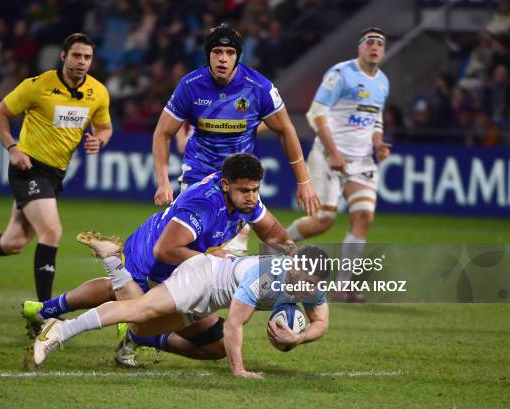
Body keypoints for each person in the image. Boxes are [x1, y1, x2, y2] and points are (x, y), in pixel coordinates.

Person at [23, 153, 298, 366]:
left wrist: (293, 254)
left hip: (185, 262)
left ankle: (48, 310)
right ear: (226, 185)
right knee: (132, 308)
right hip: (156, 257)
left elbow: (274, 233)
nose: (252, 197)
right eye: (245, 191)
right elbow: (165, 250)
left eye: (255, 190)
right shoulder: (205, 205)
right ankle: (84, 299)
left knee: (215, 345)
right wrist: (210, 258)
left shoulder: (244, 199)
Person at [0, 33, 113, 302]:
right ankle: (43, 311)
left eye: (87, 57)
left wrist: (99, 140)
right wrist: (12, 148)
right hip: (29, 168)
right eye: (76, 55)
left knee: (13, 242)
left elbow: (105, 127)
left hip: (54, 174)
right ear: (63, 57)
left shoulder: (97, 92)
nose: (82, 62)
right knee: (52, 231)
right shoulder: (37, 85)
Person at [33, 245, 330, 378]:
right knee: (138, 309)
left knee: (143, 328)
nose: (306, 290)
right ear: (293, 267)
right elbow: (234, 325)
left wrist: (299, 338)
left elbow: (321, 322)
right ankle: (60, 329)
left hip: (212, 298)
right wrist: (238, 371)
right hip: (203, 278)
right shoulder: (267, 276)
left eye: (313, 285)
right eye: (304, 280)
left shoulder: (312, 283)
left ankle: (114, 264)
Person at [152, 23, 320, 256]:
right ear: (208, 55)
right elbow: (163, 133)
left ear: (238, 57)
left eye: (230, 53)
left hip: (241, 181)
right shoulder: (190, 86)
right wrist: (162, 181)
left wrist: (304, 181)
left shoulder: (259, 87)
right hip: (199, 177)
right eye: (217, 52)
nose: (223, 59)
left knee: (231, 254)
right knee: (189, 255)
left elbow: (285, 129)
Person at [286, 27, 391, 302]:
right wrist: (333, 153)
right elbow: (316, 113)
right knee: (323, 221)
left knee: (364, 217)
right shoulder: (341, 74)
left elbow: (375, 118)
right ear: (360, 48)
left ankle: (343, 288)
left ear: (384, 51)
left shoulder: (382, 81)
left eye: (380, 43)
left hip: (362, 161)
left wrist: (378, 143)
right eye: (369, 42)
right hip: (329, 155)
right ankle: (278, 245)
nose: (375, 47)